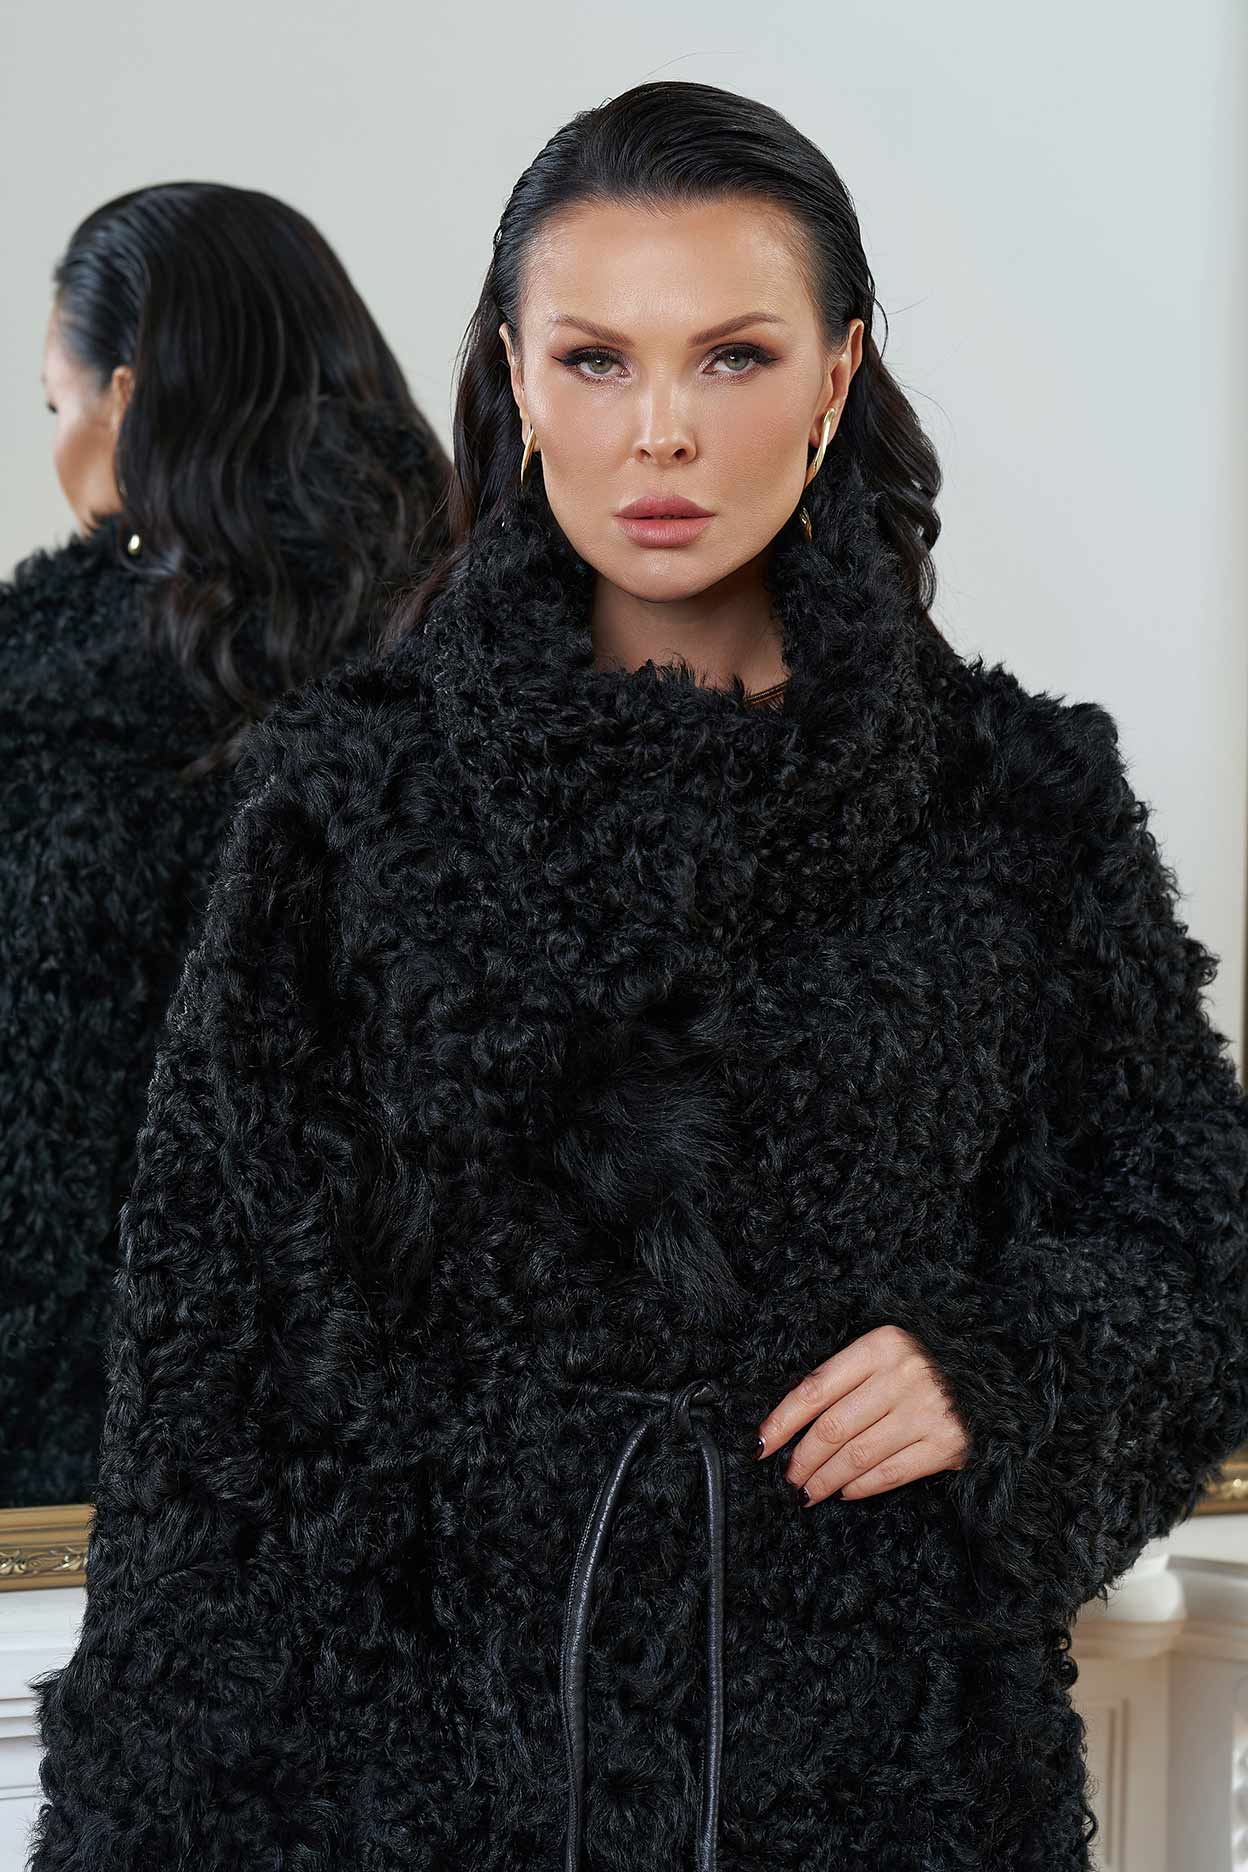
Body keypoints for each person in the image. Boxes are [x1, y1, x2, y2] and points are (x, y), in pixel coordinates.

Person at [27, 85, 1248, 1871]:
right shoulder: (348, 809)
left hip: (891, 1778)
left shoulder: (1018, 805)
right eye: (596, 359)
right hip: (418, 1784)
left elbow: (1198, 1231)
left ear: (836, 375)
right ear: (518, 380)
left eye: (733, 356)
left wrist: (1009, 1365)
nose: (660, 430)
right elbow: (204, 1395)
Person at [0, 182, 451, 1508]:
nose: (60, 451)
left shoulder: (39, 709)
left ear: (127, 401)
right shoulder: (481, 653)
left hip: (79, 1490)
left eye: (57, 407)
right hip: (435, 1491)